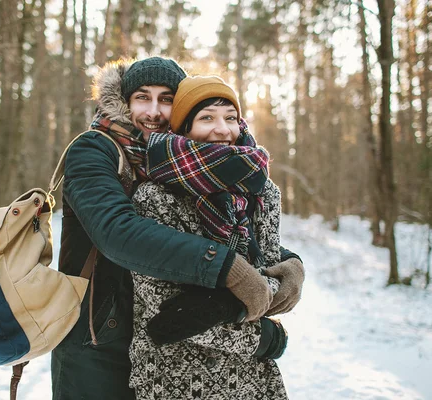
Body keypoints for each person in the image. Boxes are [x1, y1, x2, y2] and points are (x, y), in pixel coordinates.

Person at [51, 57, 305, 400]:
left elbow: (233, 234)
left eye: (166, 99)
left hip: (166, 342)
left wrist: (287, 262)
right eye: (143, 97)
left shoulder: (185, 162)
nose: (154, 111)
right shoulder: (95, 149)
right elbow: (115, 231)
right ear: (124, 101)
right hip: (98, 336)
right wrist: (226, 267)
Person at [128, 75, 293, 399]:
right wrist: (260, 337)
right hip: (175, 377)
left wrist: (286, 273)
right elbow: (164, 310)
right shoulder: (155, 197)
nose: (222, 129)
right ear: (183, 127)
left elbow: (268, 282)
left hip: (253, 377)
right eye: (207, 118)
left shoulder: (262, 191)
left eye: (230, 117)